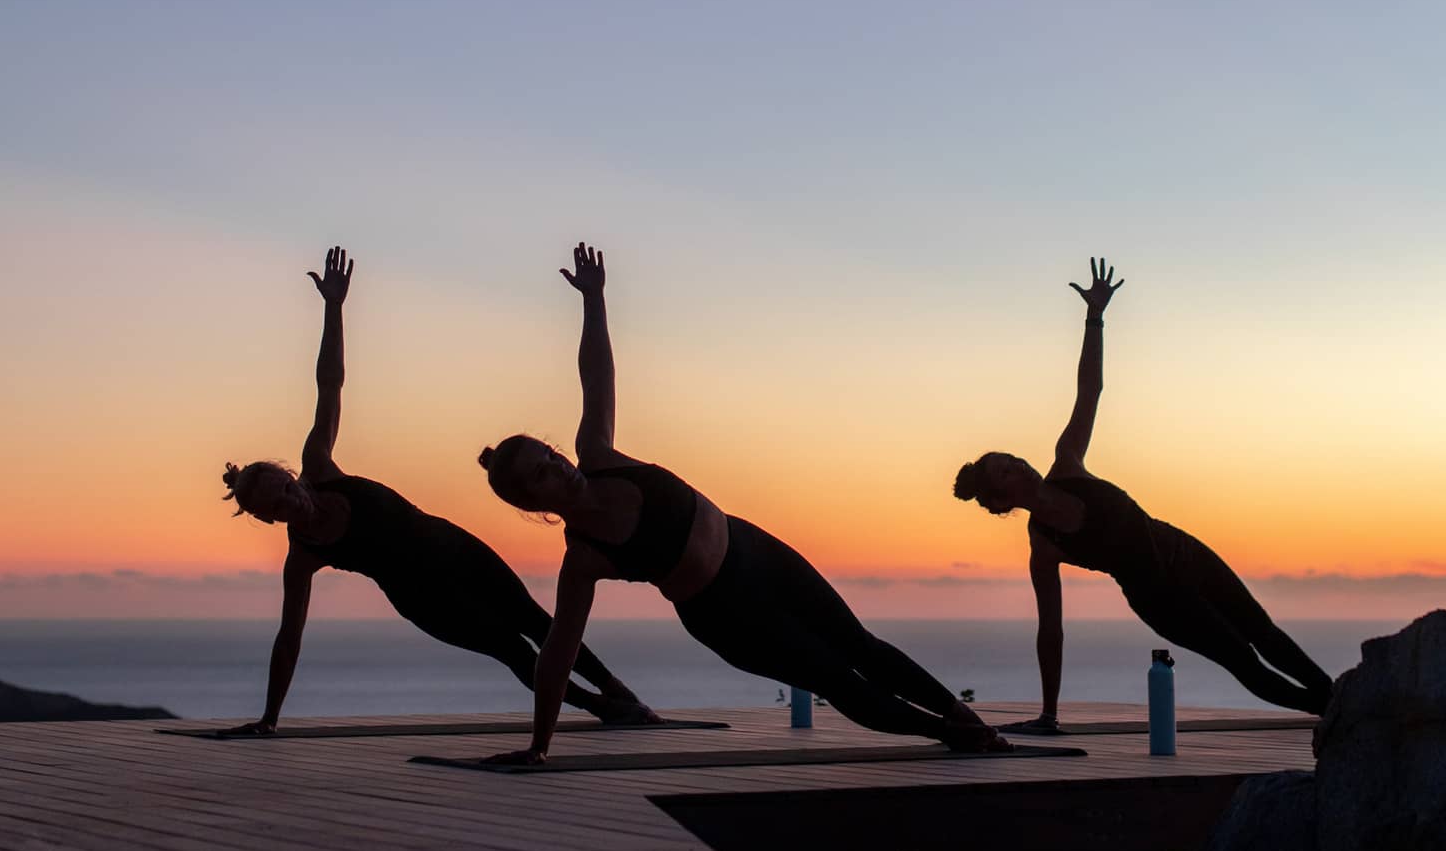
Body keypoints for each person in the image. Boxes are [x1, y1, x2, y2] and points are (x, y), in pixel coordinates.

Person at [479, 242, 1005, 764]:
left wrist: (594, 300)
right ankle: (948, 735)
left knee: (859, 645)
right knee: (834, 678)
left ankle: (962, 718)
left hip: (753, 549)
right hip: (727, 615)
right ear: (533, 502)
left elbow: (597, 376)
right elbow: (557, 653)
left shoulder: (597, 453)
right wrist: (539, 745)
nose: (557, 466)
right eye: (541, 474)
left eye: (549, 454)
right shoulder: (584, 558)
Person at [220, 245, 655, 734]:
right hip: (423, 599)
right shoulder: (302, 555)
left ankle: (621, 694)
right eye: (277, 505)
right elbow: (289, 637)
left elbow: (330, 384)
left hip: (455, 549)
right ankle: (604, 711)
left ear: (288, 474)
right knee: (509, 649)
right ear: (267, 518)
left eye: (284, 486)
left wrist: (334, 308)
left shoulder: (319, 465)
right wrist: (270, 718)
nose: (290, 499)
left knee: (536, 621)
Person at [954, 257, 1333, 733]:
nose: (1018, 465)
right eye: (1005, 472)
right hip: (1161, 601)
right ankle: (1332, 714)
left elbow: (1090, 390)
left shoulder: (1067, 461)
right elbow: (1051, 632)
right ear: (1001, 501)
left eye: (1010, 458)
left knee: (1264, 633)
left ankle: (1343, 701)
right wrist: (1049, 714)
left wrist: (1095, 317)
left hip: (1183, 551)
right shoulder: (1044, 544)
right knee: (1245, 662)